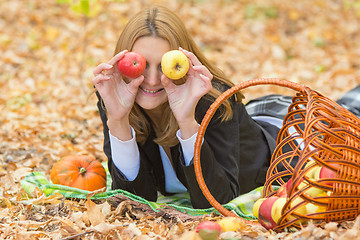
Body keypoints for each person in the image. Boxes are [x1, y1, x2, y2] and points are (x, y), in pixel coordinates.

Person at [92, 5, 281, 209]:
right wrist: (119, 120)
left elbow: (215, 201)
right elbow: (135, 200)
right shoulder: (114, 97)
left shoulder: (211, 100)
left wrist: (186, 120)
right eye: (142, 65)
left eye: (163, 66)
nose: (153, 80)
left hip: (283, 137)